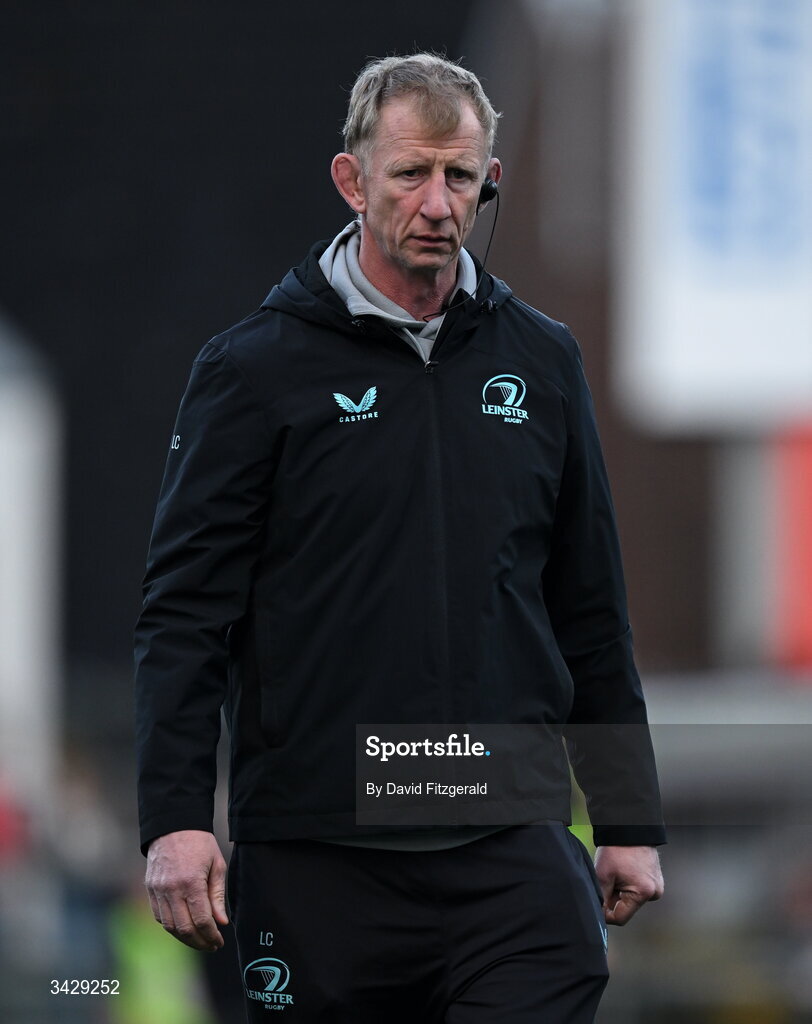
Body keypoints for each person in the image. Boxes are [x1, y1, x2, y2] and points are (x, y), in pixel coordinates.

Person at [135, 53, 665, 1023]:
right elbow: (184, 617)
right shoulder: (252, 371)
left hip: (509, 838)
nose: (435, 202)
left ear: (487, 180)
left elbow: (589, 606)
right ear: (352, 179)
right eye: (409, 173)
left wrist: (627, 817)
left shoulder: (542, 360)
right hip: (317, 846)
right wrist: (173, 819)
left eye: (458, 176)